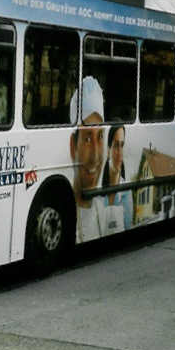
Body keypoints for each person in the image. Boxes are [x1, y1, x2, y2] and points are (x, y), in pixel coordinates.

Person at [70, 76, 107, 242]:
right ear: (73, 146)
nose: (95, 156)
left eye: (100, 136)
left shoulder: (106, 211)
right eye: (87, 139)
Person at [101, 124, 133, 232]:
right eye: (115, 145)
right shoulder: (97, 193)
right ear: (108, 150)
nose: (120, 152)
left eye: (122, 145)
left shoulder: (126, 191)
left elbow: (127, 227)